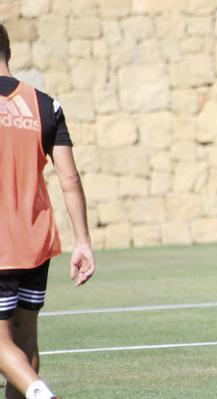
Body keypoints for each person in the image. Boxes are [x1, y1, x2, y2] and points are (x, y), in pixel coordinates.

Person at [0, 23, 96, 399]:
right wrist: (83, 241)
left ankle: (42, 395)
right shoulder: (45, 104)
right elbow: (69, 177)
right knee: (23, 346)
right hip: (36, 242)